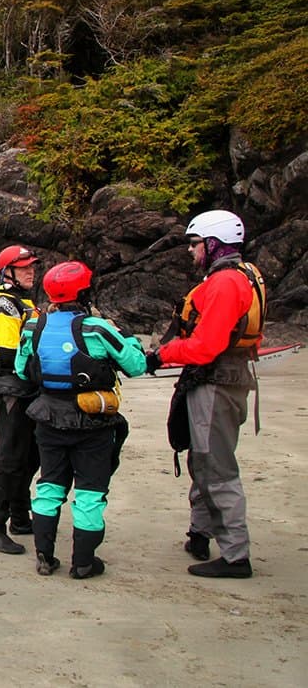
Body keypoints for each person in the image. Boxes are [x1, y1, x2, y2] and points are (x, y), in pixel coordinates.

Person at [148, 209, 266, 579]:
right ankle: (200, 534)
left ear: (213, 244)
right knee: (202, 459)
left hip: (216, 381)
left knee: (216, 466)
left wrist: (160, 356)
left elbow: (205, 347)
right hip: (221, 378)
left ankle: (235, 555)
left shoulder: (225, 283)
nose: (191, 251)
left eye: (195, 244)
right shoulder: (244, 276)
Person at [17, 261, 148, 579]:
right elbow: (136, 364)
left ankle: (45, 557)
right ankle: (84, 562)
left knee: (49, 485)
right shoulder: (97, 328)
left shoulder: (34, 326)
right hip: (93, 422)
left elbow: (23, 371)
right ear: (85, 292)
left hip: (47, 417)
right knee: (90, 491)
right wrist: (126, 336)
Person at [0, 245, 42, 555]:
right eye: (24, 267)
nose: (31, 271)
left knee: (31, 457)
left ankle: (19, 516)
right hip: (9, 388)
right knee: (10, 458)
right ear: (8, 272)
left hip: (28, 388)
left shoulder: (25, 302)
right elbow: (8, 352)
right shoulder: (2, 304)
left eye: (32, 266)